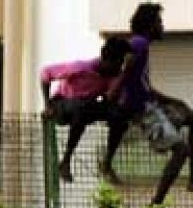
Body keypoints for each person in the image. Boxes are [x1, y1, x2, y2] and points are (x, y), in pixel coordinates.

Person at [104, 2, 193, 208]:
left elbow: (143, 85)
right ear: (151, 25)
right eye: (159, 22)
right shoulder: (139, 43)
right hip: (142, 111)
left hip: (150, 104)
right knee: (181, 150)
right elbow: (123, 61)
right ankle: (157, 204)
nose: (163, 27)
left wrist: (172, 101)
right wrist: (115, 91)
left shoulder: (143, 45)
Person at [38, 38, 130, 183]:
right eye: (118, 63)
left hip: (86, 107)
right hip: (62, 104)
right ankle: (66, 160)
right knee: (82, 107)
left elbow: (109, 99)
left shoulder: (114, 76)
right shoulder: (80, 67)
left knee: (119, 115)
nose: (119, 67)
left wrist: (122, 77)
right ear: (107, 60)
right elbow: (46, 73)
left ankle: (107, 162)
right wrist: (47, 105)